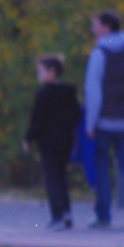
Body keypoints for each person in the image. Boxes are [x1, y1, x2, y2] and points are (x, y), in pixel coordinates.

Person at [84, 12, 124, 229]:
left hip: (104, 121)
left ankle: (103, 216)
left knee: (101, 166)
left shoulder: (99, 53)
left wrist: (90, 124)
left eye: (95, 25)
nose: (93, 29)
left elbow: (93, 92)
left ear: (106, 28)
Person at [23, 55, 82, 230]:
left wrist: (29, 139)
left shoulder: (44, 94)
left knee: (51, 179)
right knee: (62, 177)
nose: (38, 75)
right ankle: (66, 212)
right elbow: (77, 115)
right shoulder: (69, 92)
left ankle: (57, 215)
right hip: (65, 141)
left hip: (48, 143)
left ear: (52, 72)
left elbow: (37, 120)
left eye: (40, 71)